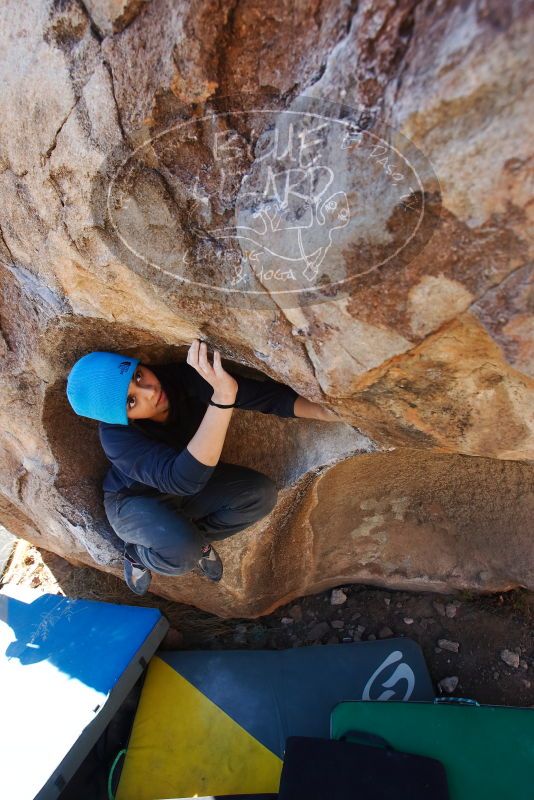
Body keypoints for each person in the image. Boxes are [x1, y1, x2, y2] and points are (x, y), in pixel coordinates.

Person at [66, 339, 343, 595]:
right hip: (134, 501)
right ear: (121, 418)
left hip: (186, 488)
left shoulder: (179, 379)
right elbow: (182, 480)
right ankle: (139, 555)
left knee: (259, 495)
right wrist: (222, 399)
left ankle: (192, 540)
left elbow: (268, 398)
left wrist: (330, 412)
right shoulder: (116, 437)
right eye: (131, 401)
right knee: (182, 556)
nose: (150, 392)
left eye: (137, 376)